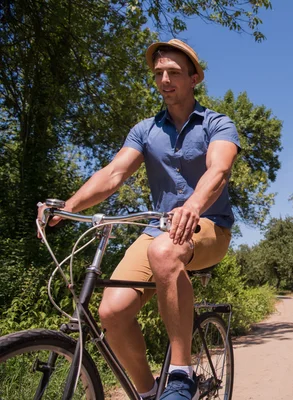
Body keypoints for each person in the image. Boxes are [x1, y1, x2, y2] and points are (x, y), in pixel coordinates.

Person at [37, 39, 239, 400]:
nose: (164, 79)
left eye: (174, 72)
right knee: (111, 312)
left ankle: (180, 374)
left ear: (195, 78)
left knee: (165, 251)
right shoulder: (145, 130)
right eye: (159, 72)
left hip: (208, 226)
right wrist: (67, 207)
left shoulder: (217, 124)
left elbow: (219, 170)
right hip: (158, 229)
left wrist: (193, 204)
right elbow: (113, 174)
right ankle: (148, 393)